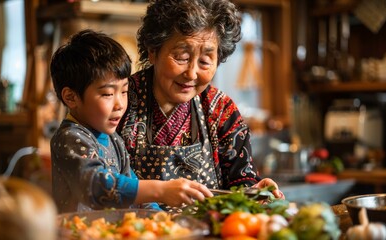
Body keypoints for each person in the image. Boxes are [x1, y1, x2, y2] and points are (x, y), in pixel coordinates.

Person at [118, 0, 284, 199]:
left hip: (207, 227)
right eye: (181, 57)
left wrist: (255, 191)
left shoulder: (221, 110)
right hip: (135, 228)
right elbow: (97, 180)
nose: (191, 73)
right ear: (153, 51)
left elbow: (241, 181)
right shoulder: (119, 100)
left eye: (205, 61)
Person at [50, 29, 213, 213]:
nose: (120, 104)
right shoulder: (69, 138)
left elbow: (136, 190)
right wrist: (160, 190)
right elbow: (96, 186)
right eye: (108, 94)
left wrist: (161, 217)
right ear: (71, 97)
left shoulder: (113, 140)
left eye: (124, 91)